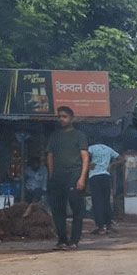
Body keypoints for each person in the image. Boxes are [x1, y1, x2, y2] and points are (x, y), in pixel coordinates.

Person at [46, 106, 90, 250]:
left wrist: (82, 178)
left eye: (64, 116)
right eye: (59, 116)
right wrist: (51, 175)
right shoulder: (54, 136)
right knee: (58, 210)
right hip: (58, 178)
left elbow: (85, 158)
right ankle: (62, 240)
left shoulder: (79, 135)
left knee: (77, 209)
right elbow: (50, 156)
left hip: (74, 175)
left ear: (72, 118)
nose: (61, 119)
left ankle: (74, 241)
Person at [87, 141, 122, 235]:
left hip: (94, 176)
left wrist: (89, 163)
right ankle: (109, 225)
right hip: (106, 176)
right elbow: (121, 159)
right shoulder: (108, 149)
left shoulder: (91, 148)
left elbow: (84, 157)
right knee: (106, 201)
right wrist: (111, 165)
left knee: (97, 202)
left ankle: (100, 227)